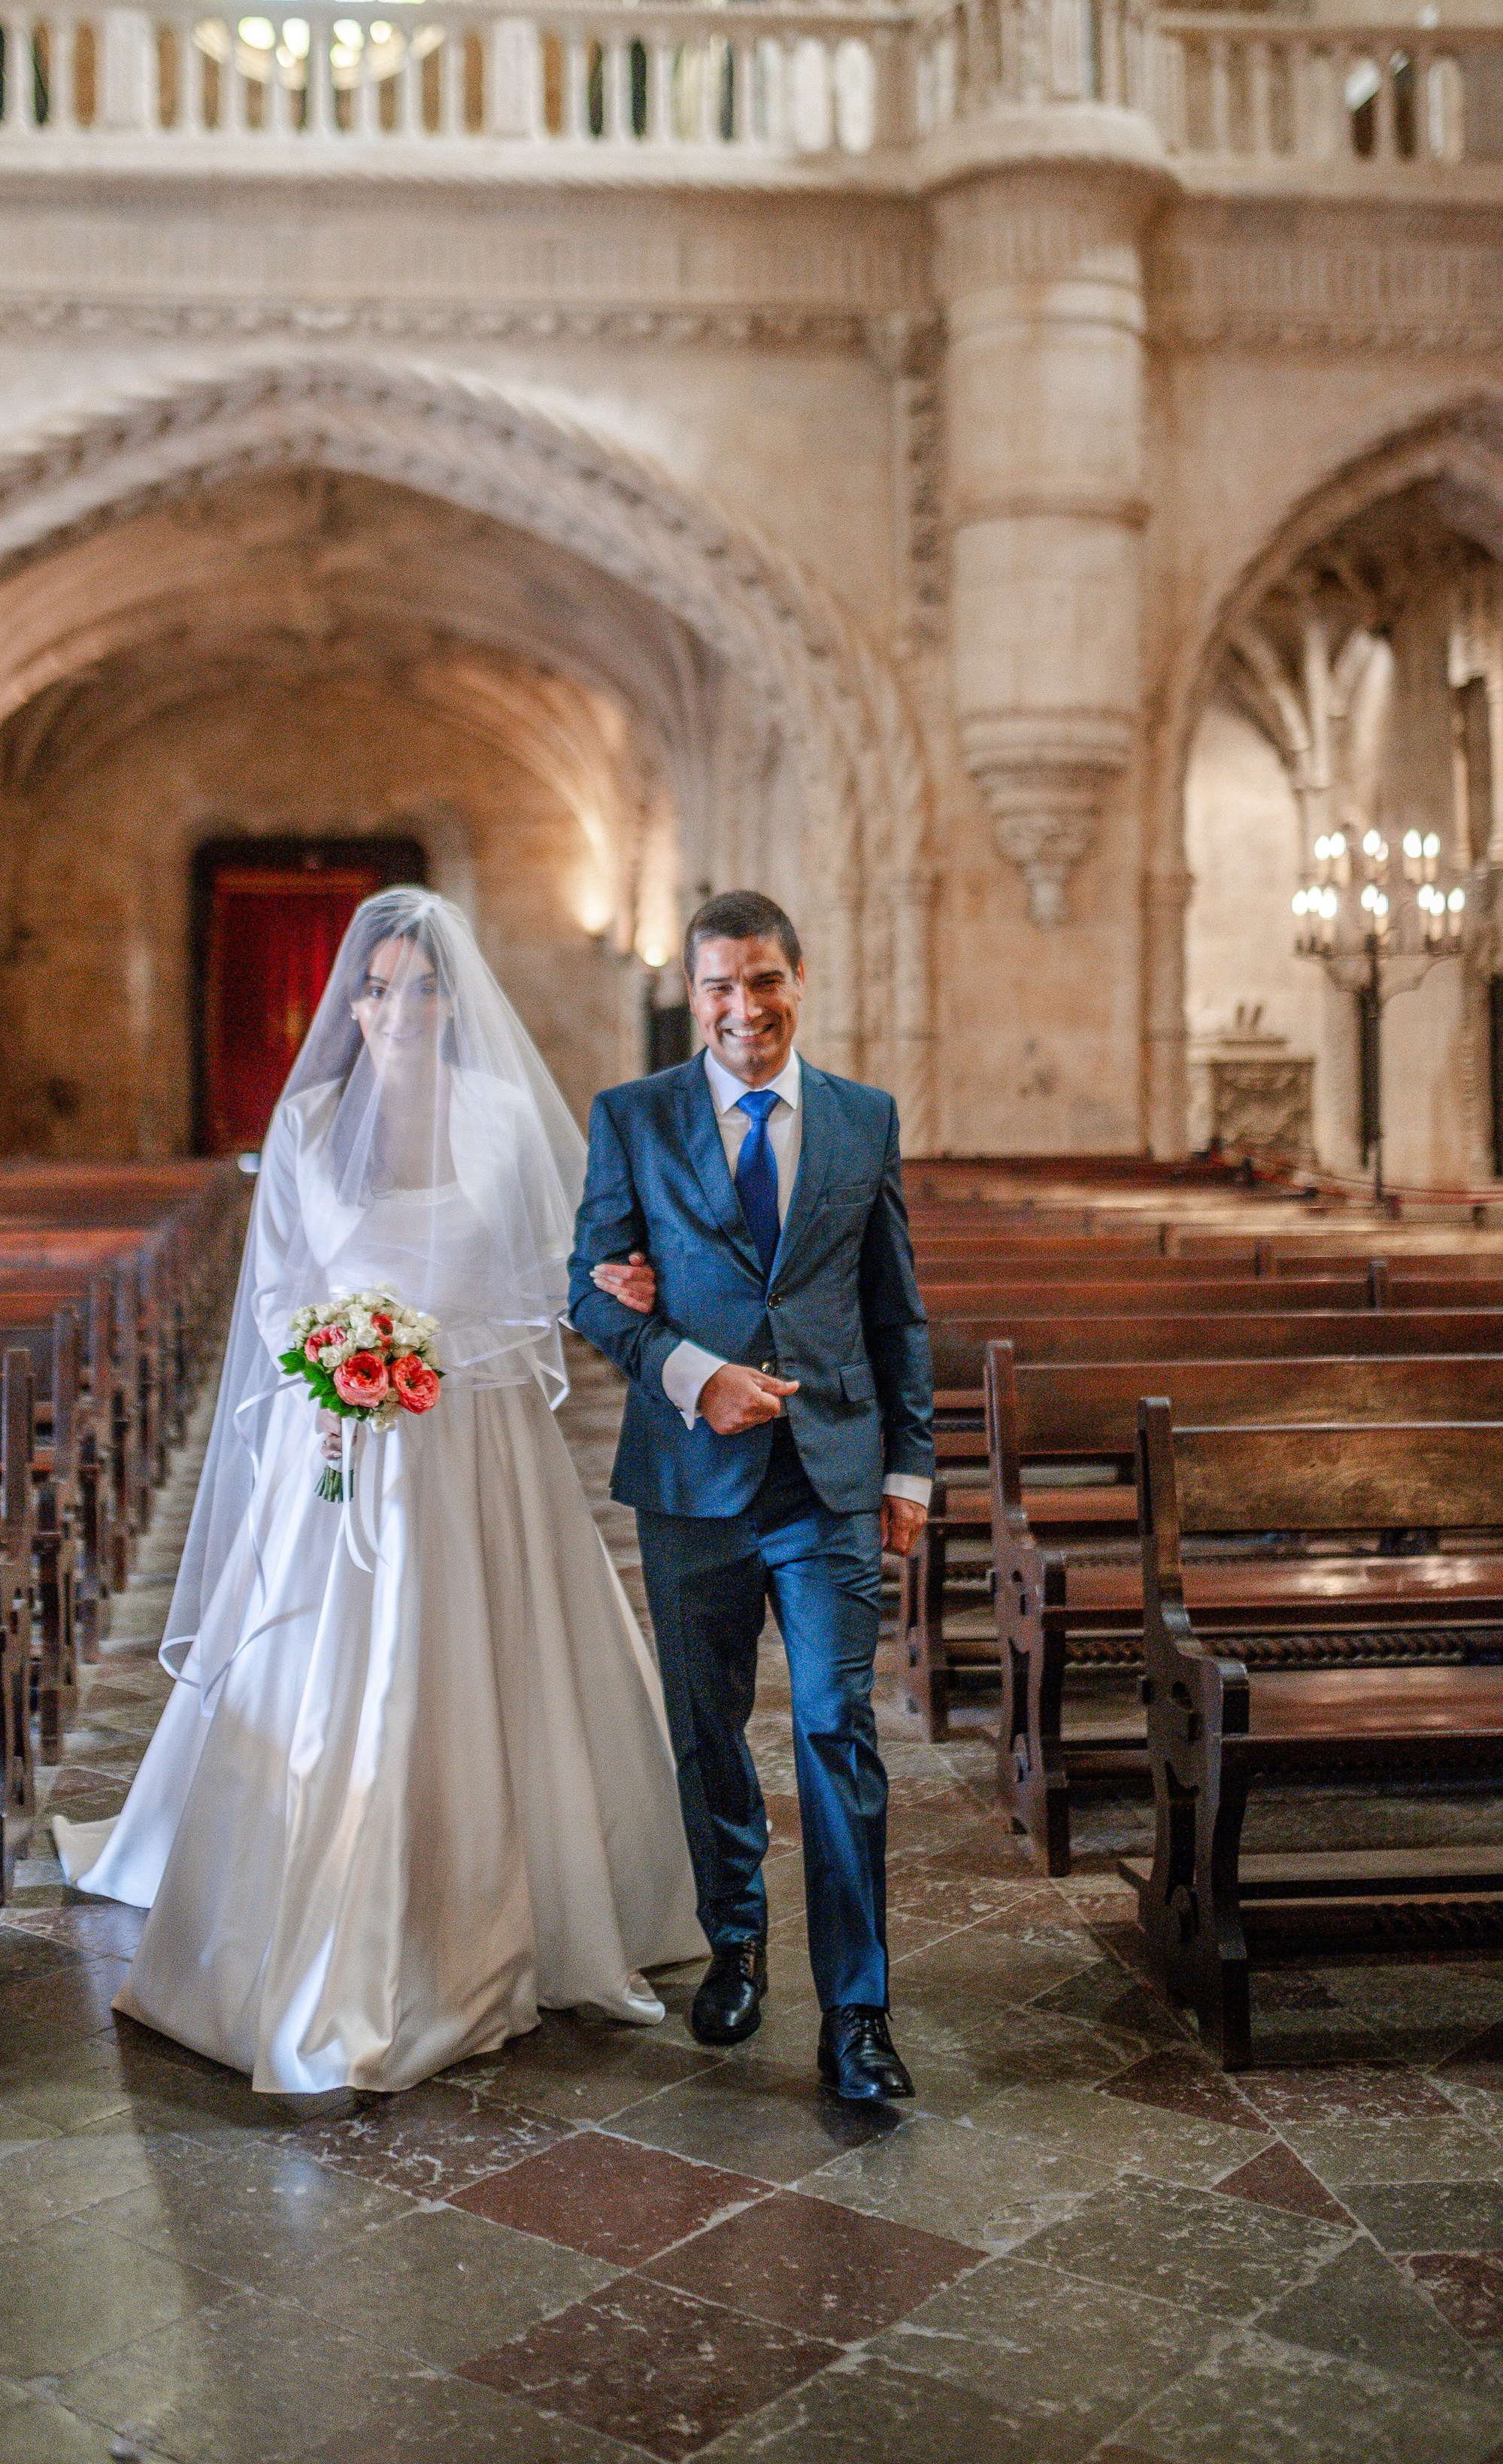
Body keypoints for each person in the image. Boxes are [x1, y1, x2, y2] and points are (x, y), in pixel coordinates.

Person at [53, 888, 698, 2095]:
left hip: (476, 1439)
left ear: (457, 1000)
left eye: (422, 986)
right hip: (345, 1436)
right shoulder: (307, 1124)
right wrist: (343, 1352)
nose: (397, 1007)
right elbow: (277, 1293)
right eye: (378, 986)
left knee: (492, 1660)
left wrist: (472, 1339)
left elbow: (553, 1276)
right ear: (352, 1000)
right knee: (333, 1670)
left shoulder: (507, 1118)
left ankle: (511, 1907)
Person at [568, 889, 934, 2105]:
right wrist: (692, 1372)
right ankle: (735, 1938)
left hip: (829, 1477)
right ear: (694, 993)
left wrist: (910, 1463)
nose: (744, 1006)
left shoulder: (861, 1118)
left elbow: (894, 1308)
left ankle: (861, 2013)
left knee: (837, 1727)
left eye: (764, 979)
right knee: (708, 1728)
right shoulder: (634, 1116)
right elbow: (592, 1290)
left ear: (798, 980)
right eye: (720, 984)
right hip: (692, 1478)